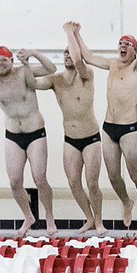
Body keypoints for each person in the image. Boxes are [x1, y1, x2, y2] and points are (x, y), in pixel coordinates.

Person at [73, 0, 137, 228]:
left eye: (128, 44)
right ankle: (127, 202)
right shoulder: (111, 65)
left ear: (135, 51)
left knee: (135, 174)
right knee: (112, 176)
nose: (123, 46)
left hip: (129, 128)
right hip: (109, 127)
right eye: (120, 43)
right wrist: (77, 34)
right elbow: (89, 57)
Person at [0, 34, 58, 236]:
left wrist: (33, 53)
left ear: (11, 60)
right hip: (13, 135)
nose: (0, 64)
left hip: (35, 132)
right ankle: (29, 216)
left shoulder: (23, 73)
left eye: (4, 60)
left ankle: (49, 216)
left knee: (40, 178)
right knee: (14, 182)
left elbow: (51, 69)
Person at [35, 22, 106, 235]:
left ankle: (100, 221)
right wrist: (30, 57)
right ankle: (89, 218)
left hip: (91, 138)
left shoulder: (87, 75)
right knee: (73, 181)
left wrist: (70, 33)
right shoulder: (56, 80)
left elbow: (77, 59)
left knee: (92, 183)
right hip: (71, 140)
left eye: (70, 52)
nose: (68, 56)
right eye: (64, 53)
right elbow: (33, 83)